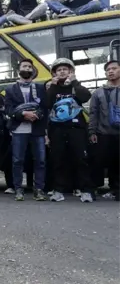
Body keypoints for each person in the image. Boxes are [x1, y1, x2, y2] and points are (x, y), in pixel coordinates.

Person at [47, 58, 93, 202]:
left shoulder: (75, 87)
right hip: (57, 129)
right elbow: (46, 103)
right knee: (58, 160)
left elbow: (85, 96)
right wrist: (53, 86)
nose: (62, 72)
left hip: (76, 129)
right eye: (58, 70)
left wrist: (74, 81)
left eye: (65, 69)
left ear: (71, 71)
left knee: (81, 159)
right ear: (54, 73)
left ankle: (85, 190)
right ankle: (58, 190)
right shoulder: (52, 88)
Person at [4, 59, 48, 201]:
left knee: (40, 160)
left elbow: (45, 107)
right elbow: (8, 109)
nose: (27, 68)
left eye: (30, 67)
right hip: (19, 129)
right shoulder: (10, 89)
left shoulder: (40, 88)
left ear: (33, 70)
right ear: (19, 69)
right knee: (17, 160)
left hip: (37, 129)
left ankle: (39, 189)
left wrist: (37, 115)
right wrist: (23, 114)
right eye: (24, 66)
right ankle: (18, 189)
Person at [89, 60, 120, 200]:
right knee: (100, 160)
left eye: (114, 68)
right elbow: (93, 113)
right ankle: (94, 188)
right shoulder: (98, 93)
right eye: (108, 70)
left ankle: (116, 189)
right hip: (104, 133)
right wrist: (92, 131)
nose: (111, 71)